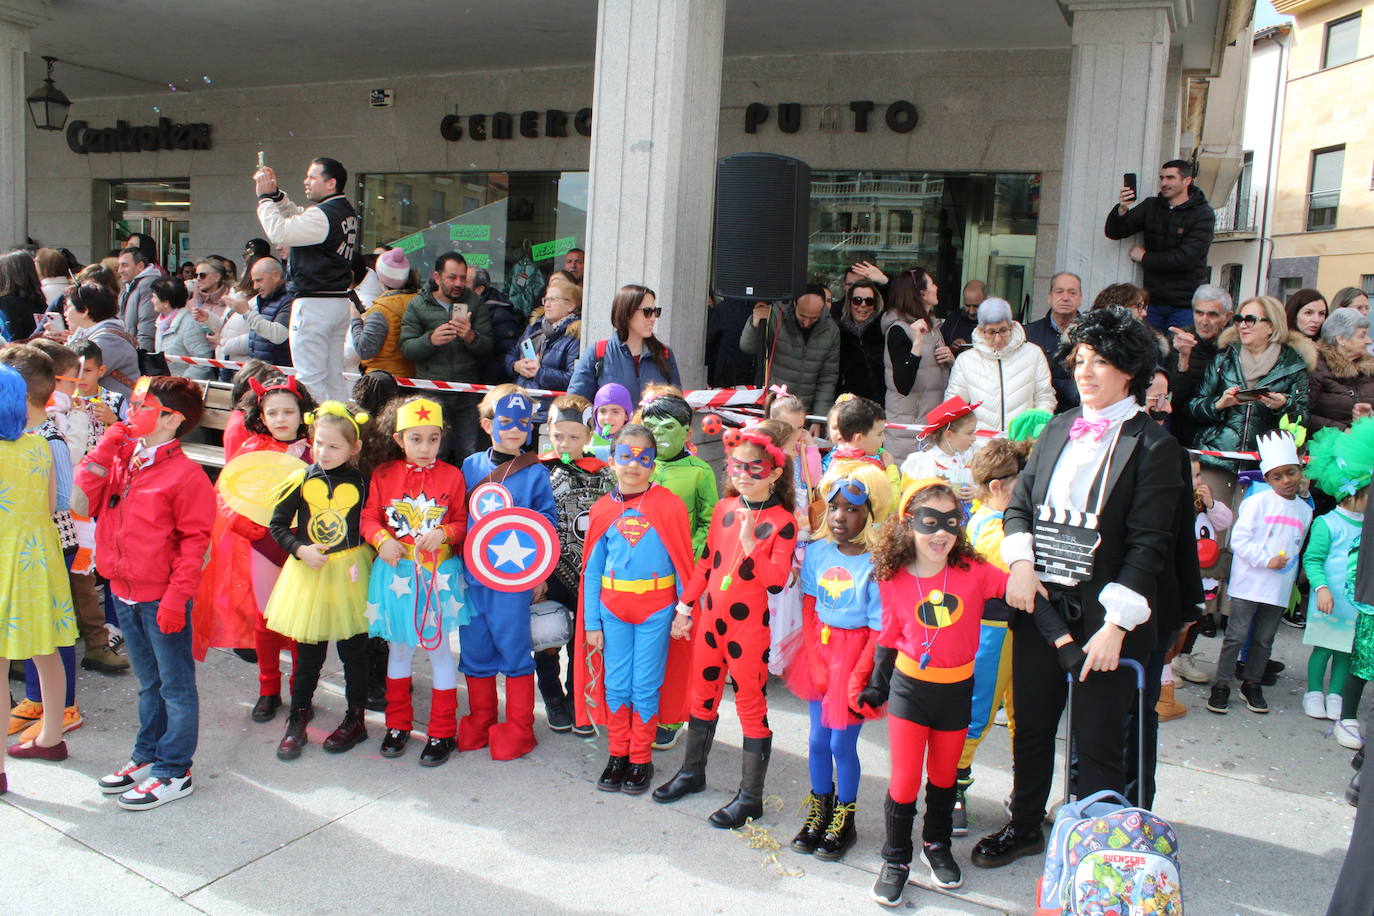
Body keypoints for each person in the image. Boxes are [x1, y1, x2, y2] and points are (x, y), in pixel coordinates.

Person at [970, 307, 1188, 869]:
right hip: (1042, 606)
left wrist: (1117, 626)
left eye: (1102, 361)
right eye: (1082, 359)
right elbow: (1019, 507)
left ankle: (1095, 849)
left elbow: (1148, 545)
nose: (1087, 371)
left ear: (1130, 371)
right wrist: (1020, 564)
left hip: (1108, 617)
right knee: (1033, 727)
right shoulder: (1059, 425)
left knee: (1097, 740)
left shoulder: (1155, 447)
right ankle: (1025, 825)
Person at [858, 480, 1011, 905]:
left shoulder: (975, 572)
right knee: (905, 781)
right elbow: (889, 633)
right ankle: (896, 859)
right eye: (930, 521)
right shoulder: (893, 576)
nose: (940, 532)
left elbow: (1015, 588)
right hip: (911, 690)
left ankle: (936, 845)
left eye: (950, 521)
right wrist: (877, 684)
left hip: (958, 691)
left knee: (944, 778)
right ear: (909, 525)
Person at [77, 375, 215, 809]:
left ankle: (175, 769)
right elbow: (80, 505)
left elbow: (196, 544)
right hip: (123, 590)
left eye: (141, 407)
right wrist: (103, 451)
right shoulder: (121, 458)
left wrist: (177, 598)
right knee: (148, 682)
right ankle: (148, 753)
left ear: (172, 420)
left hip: (161, 597)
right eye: (132, 406)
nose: (130, 415)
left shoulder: (186, 475)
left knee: (175, 686)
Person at [654, 421, 799, 828]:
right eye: (736, 466)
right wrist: (684, 606)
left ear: (773, 472)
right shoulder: (724, 509)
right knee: (701, 696)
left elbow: (774, 581)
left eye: (753, 468)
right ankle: (691, 773)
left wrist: (753, 546)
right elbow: (706, 563)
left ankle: (750, 797)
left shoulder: (782, 521)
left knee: (751, 705)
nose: (742, 474)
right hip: (711, 621)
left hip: (748, 629)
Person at [575, 423, 696, 794]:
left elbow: (681, 562)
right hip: (612, 610)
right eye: (626, 456)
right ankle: (617, 754)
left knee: (645, 684)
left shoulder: (668, 505)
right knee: (615, 683)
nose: (633, 465)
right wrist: (592, 622)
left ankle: (640, 757)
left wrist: (683, 610)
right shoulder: (600, 510)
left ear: (653, 463)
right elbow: (592, 572)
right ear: (611, 461)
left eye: (643, 458)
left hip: (656, 612)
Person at [784, 462, 892, 862]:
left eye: (851, 509)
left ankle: (844, 817)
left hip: (856, 656)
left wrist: (860, 675)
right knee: (816, 740)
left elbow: (880, 629)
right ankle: (820, 808)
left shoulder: (877, 563)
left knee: (841, 744)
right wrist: (813, 661)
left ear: (870, 513)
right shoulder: (816, 552)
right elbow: (810, 609)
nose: (840, 517)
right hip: (821, 651)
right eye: (834, 507)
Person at [191, 376, 314, 721]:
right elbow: (226, 497)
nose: (280, 419)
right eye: (272, 412)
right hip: (263, 549)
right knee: (265, 622)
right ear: (261, 415)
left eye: (288, 411)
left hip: (303, 550)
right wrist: (253, 530)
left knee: (301, 626)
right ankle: (268, 690)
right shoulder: (252, 451)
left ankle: (301, 695)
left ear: (302, 412)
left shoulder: (318, 450)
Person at [361, 397, 469, 766]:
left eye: (433, 439)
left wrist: (444, 533)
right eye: (416, 439)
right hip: (396, 575)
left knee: (439, 650)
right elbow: (369, 518)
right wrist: (382, 540)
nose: (425, 448)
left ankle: (442, 730)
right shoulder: (384, 474)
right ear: (399, 438)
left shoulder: (452, 477)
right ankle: (397, 724)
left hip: (437, 577)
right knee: (400, 649)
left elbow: (461, 521)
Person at [264, 402, 375, 761]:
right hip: (310, 573)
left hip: (351, 574)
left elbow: (374, 525)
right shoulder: (302, 479)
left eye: (334, 446)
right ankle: (298, 715)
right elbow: (278, 525)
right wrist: (300, 550)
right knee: (308, 652)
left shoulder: (364, 482)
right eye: (318, 444)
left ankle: (355, 717)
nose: (323, 453)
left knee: (354, 651)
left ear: (354, 448)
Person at [458, 387, 557, 761]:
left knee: (515, 651)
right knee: (475, 647)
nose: (514, 430)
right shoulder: (470, 467)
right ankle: (480, 718)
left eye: (522, 423)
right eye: (505, 422)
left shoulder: (536, 474)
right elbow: (459, 516)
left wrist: (539, 575)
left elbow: (547, 523)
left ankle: (519, 726)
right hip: (473, 578)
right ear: (487, 424)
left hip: (514, 582)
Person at [0, 355, 78, 780]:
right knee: (46, 649)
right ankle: (51, 736)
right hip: (39, 558)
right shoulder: (39, 445)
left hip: (3, 558)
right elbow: (52, 506)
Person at [953, 438, 1028, 837]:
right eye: (1020, 479)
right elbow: (1016, 569)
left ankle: (1024, 791)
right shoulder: (987, 526)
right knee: (977, 717)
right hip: (992, 634)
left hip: (1019, 633)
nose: (1026, 486)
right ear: (998, 486)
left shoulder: (1002, 518)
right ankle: (952, 792)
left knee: (1025, 716)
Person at [1206, 432, 1312, 715]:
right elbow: (1238, 541)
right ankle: (1222, 683)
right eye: (1278, 476)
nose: (1287, 480)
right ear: (1267, 479)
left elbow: (1297, 545)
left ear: (1300, 470)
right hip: (1249, 583)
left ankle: (1252, 682)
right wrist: (1266, 560)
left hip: (1278, 586)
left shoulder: (1304, 510)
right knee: (1236, 635)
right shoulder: (1257, 503)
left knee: (1265, 638)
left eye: (1291, 473)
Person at [254, 156, 360, 403]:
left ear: (331, 183)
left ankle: (316, 436)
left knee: (310, 379)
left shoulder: (323, 215)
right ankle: (338, 432)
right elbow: (301, 219)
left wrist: (265, 199)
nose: (306, 182)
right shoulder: (343, 211)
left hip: (314, 303)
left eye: (312, 177)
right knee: (333, 377)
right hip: (336, 301)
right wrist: (279, 197)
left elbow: (280, 231)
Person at [539, 395, 613, 736]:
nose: (565, 443)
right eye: (558, 436)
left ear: (587, 437)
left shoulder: (605, 476)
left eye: (573, 436)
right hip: (551, 572)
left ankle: (577, 698)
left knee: (582, 638)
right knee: (546, 634)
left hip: (590, 573)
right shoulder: (538, 473)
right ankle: (552, 696)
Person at [1189, 295, 1314, 479]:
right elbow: (1193, 408)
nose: (1242, 325)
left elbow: (1304, 419)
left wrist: (1283, 406)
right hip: (1216, 460)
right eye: (1239, 320)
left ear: (1271, 326)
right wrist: (1219, 404)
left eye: (1250, 320)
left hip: (1266, 468)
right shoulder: (1223, 359)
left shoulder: (1293, 366)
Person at [1300, 422, 1374, 726]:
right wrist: (1321, 588)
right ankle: (1315, 690)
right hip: (1329, 600)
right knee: (1324, 647)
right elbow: (1313, 559)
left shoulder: (1367, 526)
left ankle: (1337, 694)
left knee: (1347, 651)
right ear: (1355, 493)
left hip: (1355, 603)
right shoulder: (1327, 523)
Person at [399, 251, 492, 462]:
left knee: (468, 452)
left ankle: (468, 494)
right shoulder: (417, 304)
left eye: (462, 277)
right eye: (452, 277)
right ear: (437, 277)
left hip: (467, 391)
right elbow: (406, 348)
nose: (458, 283)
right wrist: (430, 340)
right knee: (432, 451)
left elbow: (488, 348)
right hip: (432, 391)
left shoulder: (475, 303)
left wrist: (469, 336)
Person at [1104, 159, 1216, 330]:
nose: (1164, 183)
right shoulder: (1151, 206)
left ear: (1187, 181)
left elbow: (1186, 258)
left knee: (1177, 352)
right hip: (1153, 302)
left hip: (1185, 303)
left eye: (1170, 178)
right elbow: (1115, 232)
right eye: (1162, 178)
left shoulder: (1203, 214)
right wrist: (1121, 209)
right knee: (1149, 350)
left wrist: (1144, 257)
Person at [945, 297, 1055, 435]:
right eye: (991, 332)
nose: (998, 339)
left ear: (1012, 325)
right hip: (981, 448)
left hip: (1022, 444)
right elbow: (953, 404)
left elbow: (1045, 397)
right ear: (980, 330)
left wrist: (1034, 430)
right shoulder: (965, 360)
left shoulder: (1033, 353)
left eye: (1003, 330)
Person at [739, 284, 841, 433]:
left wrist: (818, 419)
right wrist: (754, 324)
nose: (807, 322)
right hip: (774, 408)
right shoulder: (775, 315)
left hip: (804, 412)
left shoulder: (831, 330)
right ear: (794, 303)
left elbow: (827, 378)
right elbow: (748, 347)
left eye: (813, 317)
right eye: (803, 316)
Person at [568, 285, 681, 405]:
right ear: (626, 312)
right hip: (609, 425)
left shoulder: (665, 353)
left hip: (651, 424)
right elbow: (575, 403)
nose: (653, 318)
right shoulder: (597, 352)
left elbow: (677, 405)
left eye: (656, 312)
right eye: (647, 312)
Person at [881, 269, 952, 460]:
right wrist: (917, 343)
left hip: (932, 426)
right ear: (921, 293)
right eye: (932, 283)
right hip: (908, 433)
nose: (936, 287)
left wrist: (950, 360)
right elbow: (902, 384)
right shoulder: (898, 329)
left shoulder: (934, 327)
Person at [1164, 284, 1233, 447]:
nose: (1204, 321)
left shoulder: (1235, 345)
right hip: (1184, 432)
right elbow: (1173, 399)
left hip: (1222, 433)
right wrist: (1184, 357)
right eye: (1199, 313)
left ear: (1227, 317)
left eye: (1213, 314)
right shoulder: (1180, 340)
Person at [508, 278, 583, 398]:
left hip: (550, 407)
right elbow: (511, 354)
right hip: (522, 401)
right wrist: (515, 366)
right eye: (546, 299)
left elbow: (573, 378)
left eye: (553, 299)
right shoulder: (534, 327)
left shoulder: (575, 335)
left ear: (571, 305)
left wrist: (540, 373)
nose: (547, 304)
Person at [65, 283, 139, 398]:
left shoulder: (107, 340)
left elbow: (68, 372)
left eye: (68, 307)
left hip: (119, 412)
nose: (65, 313)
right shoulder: (104, 335)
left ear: (84, 310)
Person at [1023, 272, 1083, 411]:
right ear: (1049, 297)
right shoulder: (1028, 334)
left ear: (1080, 299)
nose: (1065, 298)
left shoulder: (1091, 335)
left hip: (1079, 418)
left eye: (1072, 292)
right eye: (1059, 292)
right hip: (1040, 416)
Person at [899, 397, 979, 500]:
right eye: (969, 433)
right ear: (949, 435)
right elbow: (909, 498)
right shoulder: (923, 462)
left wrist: (978, 493)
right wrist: (937, 492)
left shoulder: (967, 460)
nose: (975, 438)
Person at [353, 247, 416, 379]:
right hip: (411, 377)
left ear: (380, 277)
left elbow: (365, 350)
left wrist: (356, 321)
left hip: (382, 381)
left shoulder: (381, 310)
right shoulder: (417, 301)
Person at [1309, 307, 1374, 431]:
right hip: (1327, 443)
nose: (1369, 341)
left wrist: (1370, 416)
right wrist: (1342, 429)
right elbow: (1301, 413)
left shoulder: (1369, 370)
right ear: (1341, 339)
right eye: (1362, 336)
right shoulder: (1317, 367)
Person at [225, 257, 295, 370]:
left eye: (259, 280)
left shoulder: (289, 300)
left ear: (276, 276)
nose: (255, 287)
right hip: (263, 373)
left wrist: (247, 313)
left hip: (279, 376)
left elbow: (279, 335)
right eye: (253, 281)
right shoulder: (265, 299)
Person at [835, 279, 887, 404]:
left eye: (869, 301)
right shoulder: (839, 332)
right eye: (857, 300)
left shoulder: (884, 330)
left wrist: (885, 281)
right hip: (850, 404)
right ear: (849, 302)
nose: (863, 305)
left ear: (875, 304)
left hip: (882, 404)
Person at [150, 278, 212, 381]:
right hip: (169, 386)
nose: (151, 300)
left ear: (166, 302)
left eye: (154, 297)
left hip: (186, 389)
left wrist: (183, 383)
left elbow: (202, 360)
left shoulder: (190, 324)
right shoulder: (161, 323)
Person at [472, 266, 520, 383]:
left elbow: (506, 356)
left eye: (464, 280)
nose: (458, 284)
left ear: (479, 289)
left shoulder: (500, 314)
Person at [116, 247, 160, 350]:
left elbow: (147, 325)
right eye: (119, 266)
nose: (120, 270)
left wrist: (141, 356)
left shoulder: (148, 285)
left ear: (140, 266)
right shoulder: (130, 285)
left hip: (138, 353)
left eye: (124, 265)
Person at [941, 280, 986, 354]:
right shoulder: (953, 319)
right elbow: (941, 349)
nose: (971, 311)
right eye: (967, 305)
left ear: (985, 301)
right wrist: (952, 349)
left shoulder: (993, 321)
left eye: (976, 306)